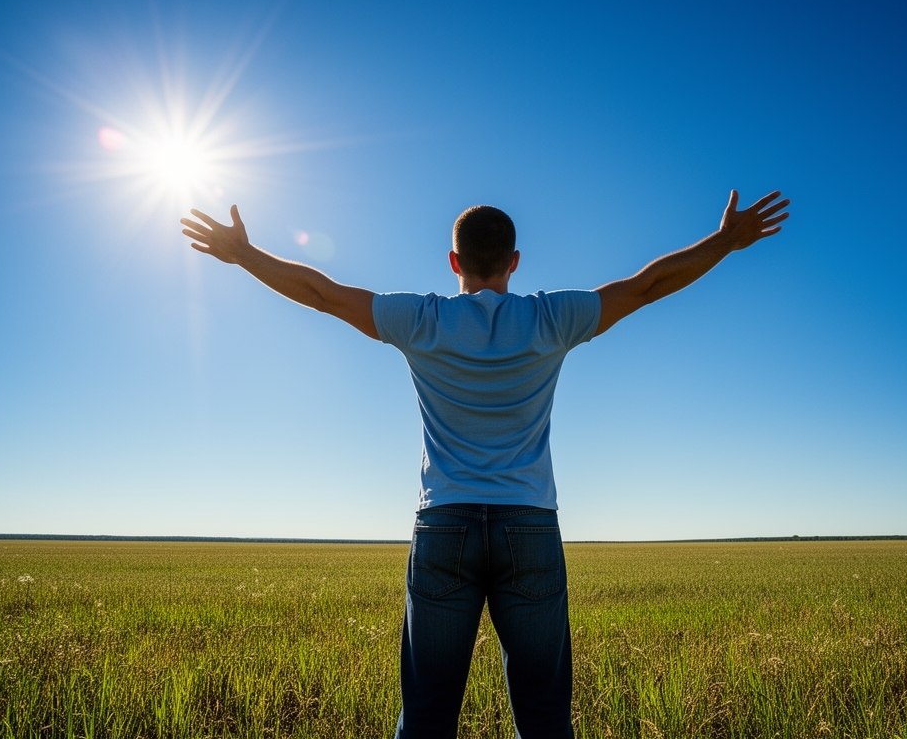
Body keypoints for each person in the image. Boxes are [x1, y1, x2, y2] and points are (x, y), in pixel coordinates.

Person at [180, 190, 789, 738]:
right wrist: (725, 241)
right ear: (514, 261)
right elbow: (646, 285)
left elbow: (321, 294)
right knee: (545, 716)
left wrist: (247, 255)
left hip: (444, 525)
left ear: (454, 262)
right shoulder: (551, 318)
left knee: (425, 717)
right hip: (530, 526)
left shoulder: (423, 319)